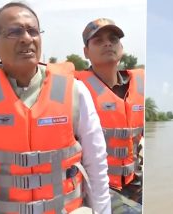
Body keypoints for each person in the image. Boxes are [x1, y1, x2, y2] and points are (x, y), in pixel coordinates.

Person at [0, 2, 111, 214]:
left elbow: (97, 164)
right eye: (14, 31)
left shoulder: (75, 90)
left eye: (33, 31)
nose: (26, 38)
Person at [74, 18, 144, 213]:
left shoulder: (140, 85)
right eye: (98, 41)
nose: (107, 43)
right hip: (98, 187)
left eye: (113, 39)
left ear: (121, 47)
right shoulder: (74, 90)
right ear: (86, 52)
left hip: (134, 180)